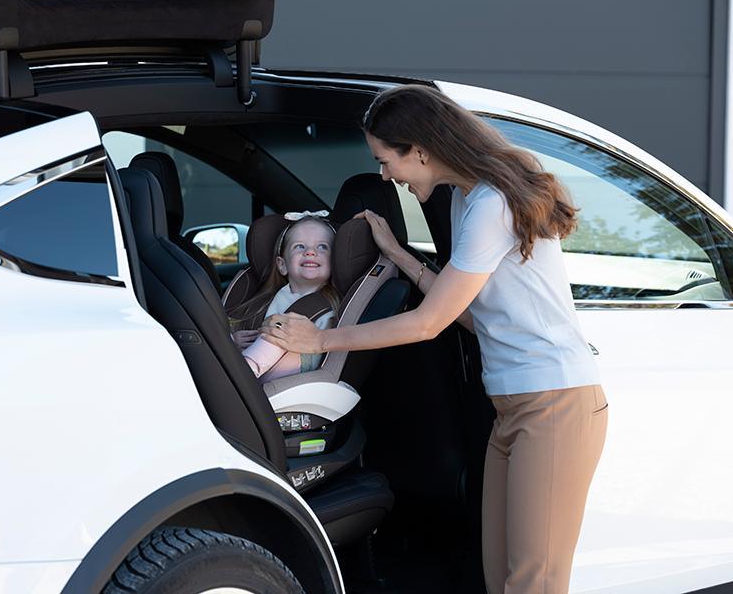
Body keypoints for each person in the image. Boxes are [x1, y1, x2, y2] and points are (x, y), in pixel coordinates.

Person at [260, 84, 607, 594]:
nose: (384, 176)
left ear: (419, 152)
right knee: (497, 577)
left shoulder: (492, 202)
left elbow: (430, 324)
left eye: (385, 161)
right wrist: (399, 256)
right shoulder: (466, 201)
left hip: (555, 403)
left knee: (534, 583)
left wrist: (319, 341)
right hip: (511, 408)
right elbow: (468, 316)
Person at [230, 212, 338, 383]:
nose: (310, 252)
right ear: (282, 265)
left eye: (322, 247)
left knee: (283, 328)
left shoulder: (326, 307)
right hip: (260, 370)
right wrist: (232, 341)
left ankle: (239, 374)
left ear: (335, 262)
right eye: (300, 247)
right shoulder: (268, 300)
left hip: (295, 376)